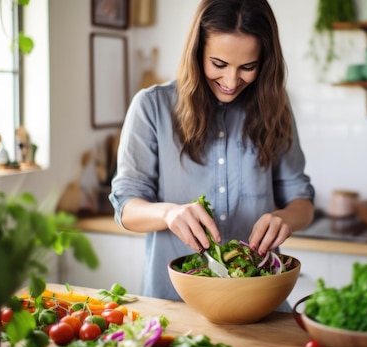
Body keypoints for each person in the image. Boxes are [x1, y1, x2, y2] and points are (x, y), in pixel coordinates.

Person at [109, 0, 315, 305]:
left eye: (248, 67)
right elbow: (126, 206)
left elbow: (302, 200)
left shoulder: (276, 108)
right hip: (175, 303)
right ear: (197, 54)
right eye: (219, 64)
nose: (232, 81)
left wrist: (284, 218)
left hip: (258, 301)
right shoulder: (152, 107)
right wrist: (168, 213)